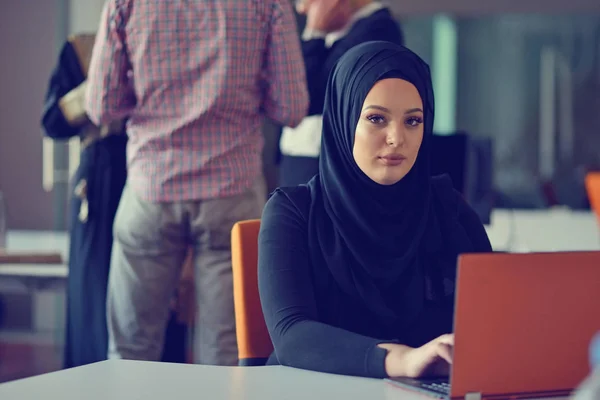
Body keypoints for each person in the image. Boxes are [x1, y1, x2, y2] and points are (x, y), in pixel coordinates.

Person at [85, 0, 308, 365]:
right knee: (227, 353)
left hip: (151, 186)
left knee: (131, 350)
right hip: (231, 190)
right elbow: (292, 108)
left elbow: (100, 105)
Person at [258, 41, 492, 378]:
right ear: (343, 118)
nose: (397, 138)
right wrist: (402, 361)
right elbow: (292, 335)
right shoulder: (293, 213)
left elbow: (492, 321)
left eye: (413, 121)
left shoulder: (448, 210)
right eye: (377, 119)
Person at [41, 33, 189, 367]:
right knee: (96, 291)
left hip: (161, 169)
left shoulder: (174, 40)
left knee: (159, 293)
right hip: (101, 178)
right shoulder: (82, 49)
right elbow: (51, 121)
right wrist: (103, 83)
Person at [278, 0, 404, 186]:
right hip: (304, 156)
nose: (302, 8)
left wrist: (315, 31)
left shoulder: (377, 29)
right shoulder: (342, 27)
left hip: (323, 161)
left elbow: (305, 96)